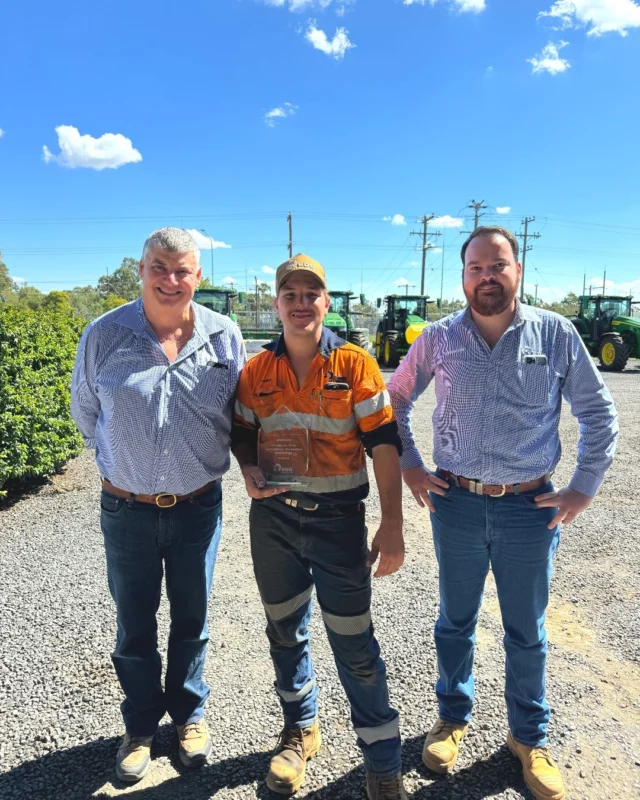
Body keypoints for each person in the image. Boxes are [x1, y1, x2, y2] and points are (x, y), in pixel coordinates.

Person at [387, 226, 618, 800]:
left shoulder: (556, 333)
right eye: (475, 267)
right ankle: (452, 719)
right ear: (462, 274)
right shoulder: (438, 338)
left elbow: (599, 413)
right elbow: (395, 399)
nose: (486, 276)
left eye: (498, 265)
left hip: (529, 508)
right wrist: (412, 466)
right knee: (455, 622)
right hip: (456, 504)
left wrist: (582, 489)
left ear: (518, 269)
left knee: (526, 632)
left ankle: (528, 738)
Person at [71, 228, 245, 783]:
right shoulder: (104, 335)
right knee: (134, 624)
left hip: (198, 507)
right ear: (141, 269)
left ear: (199, 276)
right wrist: (124, 462)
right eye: (159, 267)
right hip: (127, 510)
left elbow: (241, 414)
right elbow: (85, 410)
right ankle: (141, 725)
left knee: (192, 621)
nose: (171, 281)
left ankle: (190, 716)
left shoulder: (224, 337)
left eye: (183, 270)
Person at [232, 254, 408, 799]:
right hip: (275, 523)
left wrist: (393, 523)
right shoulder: (256, 371)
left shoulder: (355, 365)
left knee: (354, 644)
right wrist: (249, 467)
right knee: (285, 632)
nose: (301, 302)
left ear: (326, 302)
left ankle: (381, 760)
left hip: (337, 524)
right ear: (277, 303)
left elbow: (383, 444)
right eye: (291, 294)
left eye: (312, 293)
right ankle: (299, 730)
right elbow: (241, 431)